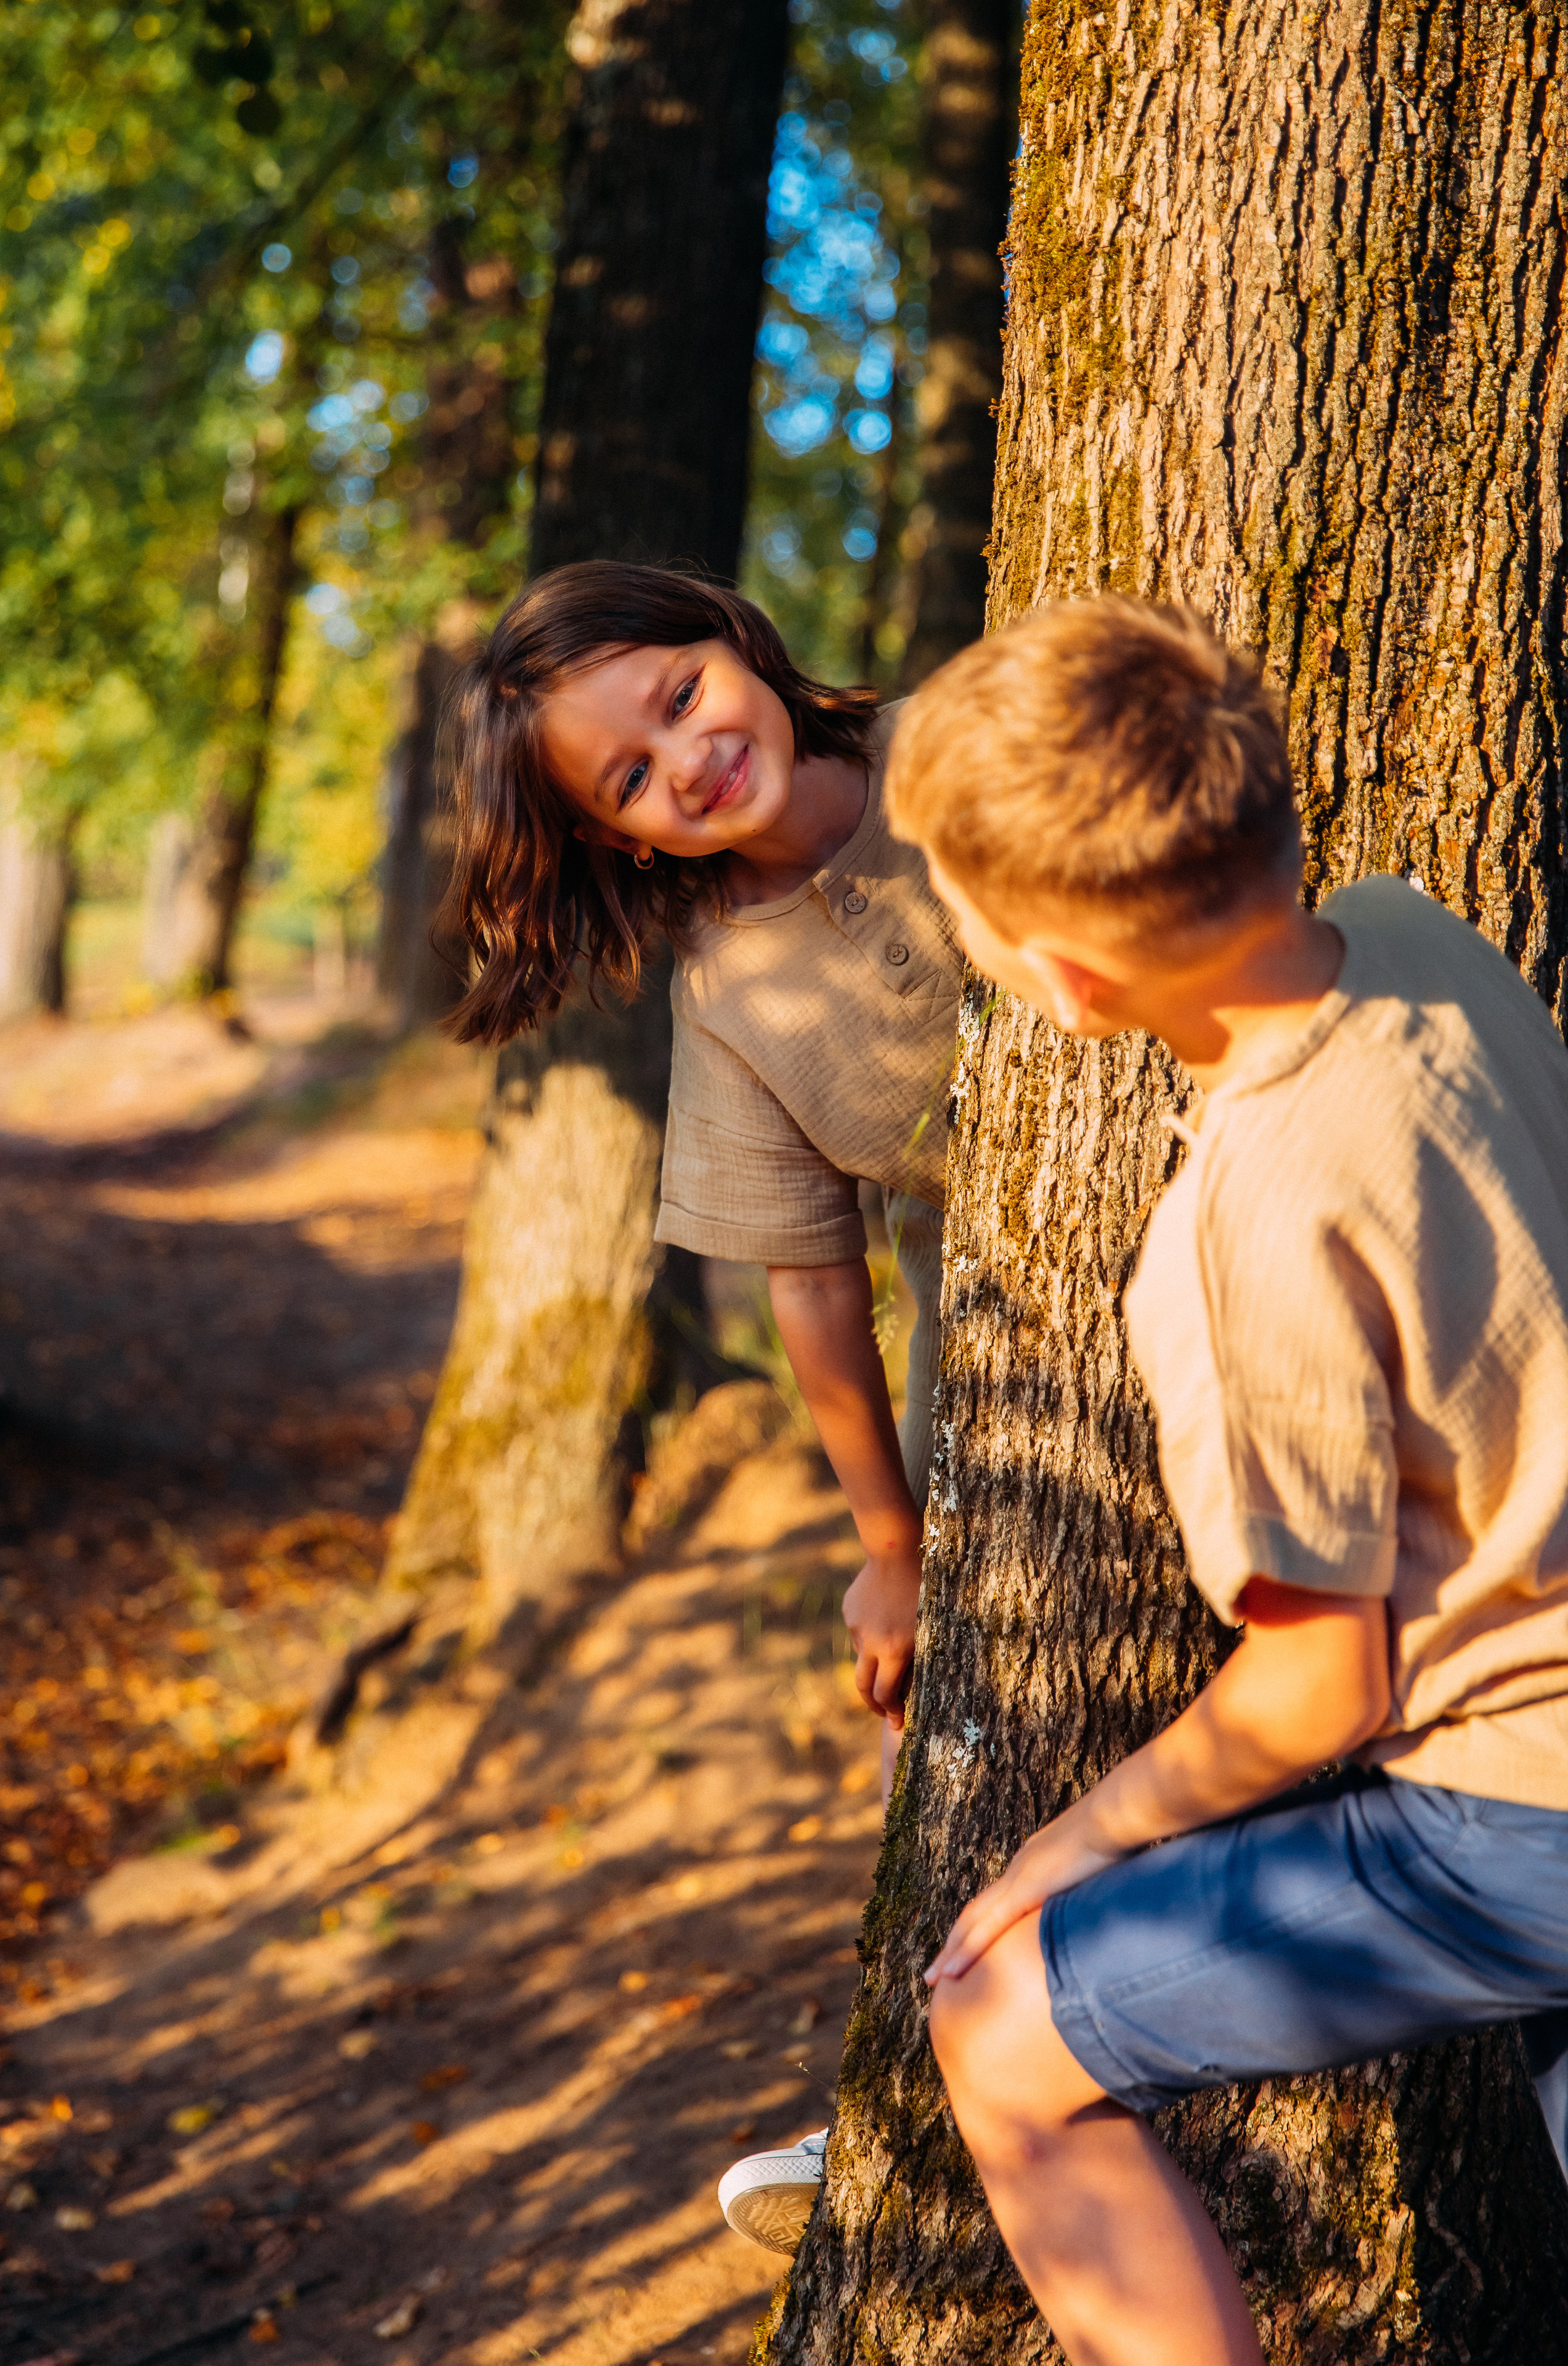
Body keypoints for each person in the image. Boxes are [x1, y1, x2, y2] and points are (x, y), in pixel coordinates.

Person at [880, 596, 1568, 2366]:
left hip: (1529, 1805)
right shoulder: (1417, 936)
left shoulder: (1237, 1233)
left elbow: (1320, 1685)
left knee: (1002, 2034)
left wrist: (1058, 1848)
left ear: (1063, 980)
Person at [443, 560, 962, 2252]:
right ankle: (928, 2106)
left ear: (729, 633)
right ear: (619, 841)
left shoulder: (958, 754)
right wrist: (890, 1539)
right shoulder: (733, 992)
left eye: (677, 697)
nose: (690, 761)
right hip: (1023, 1387)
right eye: (634, 779)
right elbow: (808, 1277)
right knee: (953, 1731)